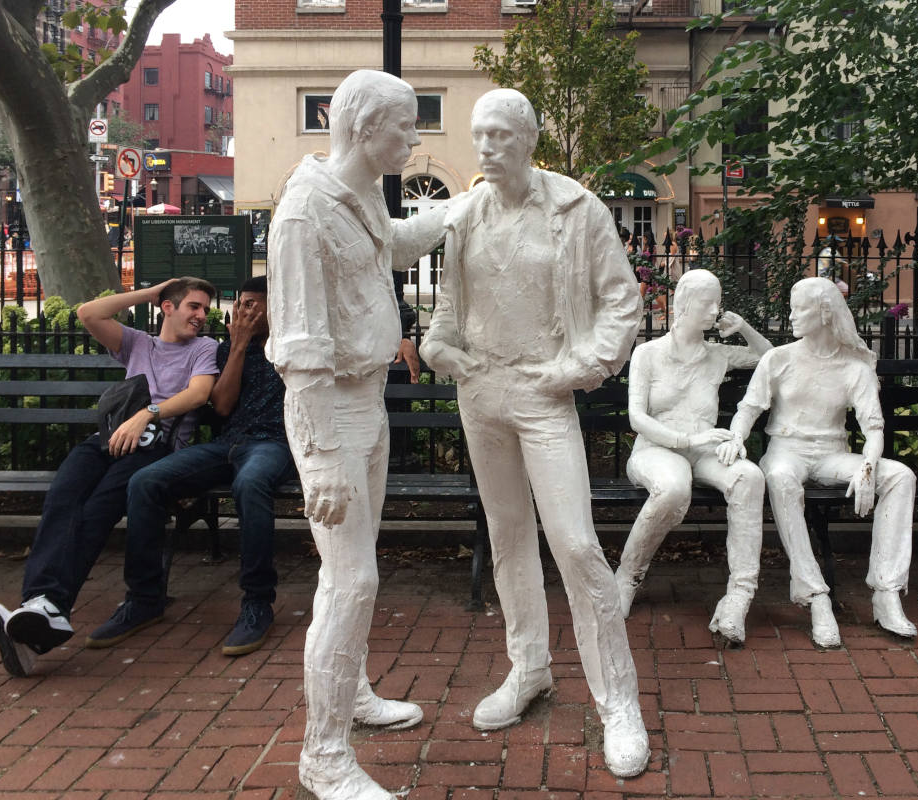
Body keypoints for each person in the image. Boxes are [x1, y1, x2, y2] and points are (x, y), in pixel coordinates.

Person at [420, 88, 650, 779]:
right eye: (476, 135)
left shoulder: (577, 211)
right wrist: (440, 352)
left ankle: (618, 701)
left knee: (577, 546)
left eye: (497, 135)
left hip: (543, 392)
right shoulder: (464, 217)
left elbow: (622, 306)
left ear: (527, 139)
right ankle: (529, 669)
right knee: (508, 536)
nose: (484, 148)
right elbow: (444, 319)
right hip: (480, 394)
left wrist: (573, 371)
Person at [266, 70, 447, 800]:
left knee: (354, 570)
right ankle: (324, 754)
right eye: (404, 125)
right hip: (329, 410)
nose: (413, 137)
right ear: (366, 126)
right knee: (352, 578)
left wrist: (466, 207)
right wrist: (320, 461)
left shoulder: (363, 191)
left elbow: (396, 245)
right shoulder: (303, 214)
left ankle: (355, 693)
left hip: (367, 398)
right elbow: (300, 349)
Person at [0, 277, 219, 678]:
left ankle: (49, 607)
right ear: (168, 308)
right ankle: (40, 608)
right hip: (108, 438)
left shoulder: (205, 349)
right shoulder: (137, 342)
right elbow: (88, 313)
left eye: (205, 309)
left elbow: (200, 394)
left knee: (97, 511)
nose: (202, 316)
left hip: (155, 446)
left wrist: (147, 413)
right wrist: (152, 293)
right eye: (193, 306)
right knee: (62, 498)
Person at [84, 276, 297, 654]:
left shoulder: (294, 347)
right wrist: (239, 345)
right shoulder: (229, 349)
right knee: (145, 481)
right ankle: (145, 598)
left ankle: (257, 602)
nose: (243, 311)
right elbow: (222, 407)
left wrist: (400, 339)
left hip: (274, 446)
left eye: (253, 305)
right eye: (241, 303)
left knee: (250, 485)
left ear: (276, 308)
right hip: (225, 445)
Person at [720, 277, 917, 647]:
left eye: (799, 309)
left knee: (901, 476)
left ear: (825, 313)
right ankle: (815, 596)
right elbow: (748, 409)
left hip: (832, 454)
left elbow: (873, 428)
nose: (791, 316)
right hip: (786, 451)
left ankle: (886, 591)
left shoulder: (853, 367)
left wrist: (868, 467)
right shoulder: (779, 359)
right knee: (779, 477)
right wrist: (735, 438)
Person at [616, 270, 772, 645]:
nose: (716, 310)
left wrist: (745, 327)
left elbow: (771, 360)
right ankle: (627, 575)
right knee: (672, 488)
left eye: (718, 302)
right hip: (656, 450)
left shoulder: (717, 355)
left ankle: (738, 597)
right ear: (684, 305)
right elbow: (637, 418)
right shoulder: (648, 353)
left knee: (749, 478)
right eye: (708, 303)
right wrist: (686, 437)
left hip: (704, 451)